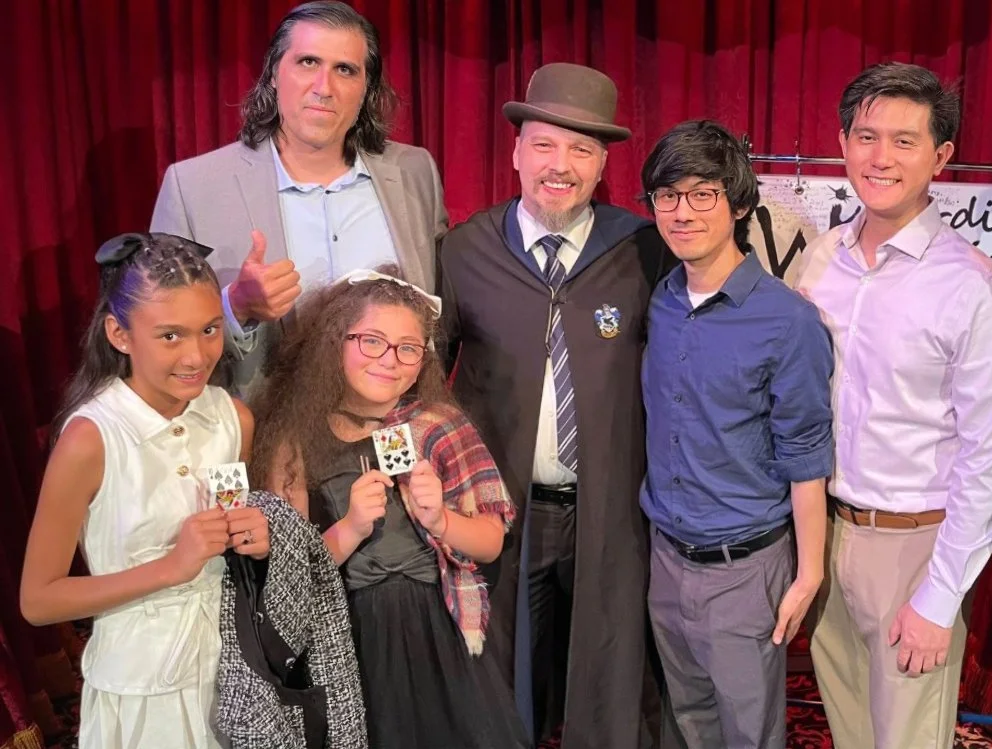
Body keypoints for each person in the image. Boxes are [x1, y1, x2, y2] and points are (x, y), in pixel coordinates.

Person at [437, 62, 677, 747]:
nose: (560, 165)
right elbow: (425, 379)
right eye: (544, 144)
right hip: (506, 517)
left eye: (581, 150)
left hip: (611, 517)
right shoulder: (466, 250)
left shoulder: (642, 250)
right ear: (515, 152)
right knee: (506, 678)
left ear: (603, 164)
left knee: (607, 681)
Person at [794, 62, 992, 749]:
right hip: (825, 533)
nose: (880, 157)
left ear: (941, 157)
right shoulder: (817, 261)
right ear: (842, 142)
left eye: (904, 140)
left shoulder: (974, 289)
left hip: (915, 547)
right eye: (866, 136)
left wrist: (939, 596)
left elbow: (989, 458)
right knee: (848, 727)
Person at [249, 267, 530, 748]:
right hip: (344, 638)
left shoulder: (439, 425)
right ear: (335, 340)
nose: (390, 360)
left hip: (434, 633)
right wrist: (352, 528)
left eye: (408, 348)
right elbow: (285, 578)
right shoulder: (295, 438)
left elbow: (490, 541)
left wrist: (440, 519)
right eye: (372, 341)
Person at [19, 233, 271, 748]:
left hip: (235, 680)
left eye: (209, 330)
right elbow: (38, 600)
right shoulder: (91, 438)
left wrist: (258, 538)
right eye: (170, 336)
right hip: (143, 695)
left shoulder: (232, 419)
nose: (196, 355)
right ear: (119, 334)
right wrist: (171, 567)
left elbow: (237, 539)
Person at [638, 119, 833, 749]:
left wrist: (808, 574)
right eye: (668, 196)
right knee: (688, 721)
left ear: (740, 203)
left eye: (702, 194)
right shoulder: (663, 299)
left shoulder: (788, 320)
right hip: (665, 557)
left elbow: (807, 455)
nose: (682, 212)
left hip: (744, 570)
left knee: (749, 733)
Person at [151, 0, 448, 394]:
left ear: (366, 88)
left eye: (345, 69)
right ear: (274, 73)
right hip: (264, 431)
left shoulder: (414, 172)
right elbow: (158, 331)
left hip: (394, 433)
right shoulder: (193, 187)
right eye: (308, 62)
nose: (324, 88)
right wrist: (236, 307)